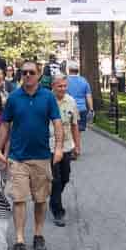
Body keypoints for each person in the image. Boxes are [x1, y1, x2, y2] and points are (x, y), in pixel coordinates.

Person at [0, 60, 64, 250]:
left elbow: (58, 123)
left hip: (42, 157)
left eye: (31, 72)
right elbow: (5, 125)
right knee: (18, 199)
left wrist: (59, 147)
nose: (27, 76)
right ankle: (19, 241)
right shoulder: (14, 98)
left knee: (41, 199)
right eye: (23, 72)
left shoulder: (48, 97)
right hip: (18, 158)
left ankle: (38, 235)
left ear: (38, 75)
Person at [49, 74, 81, 226]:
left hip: (67, 145)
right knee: (56, 179)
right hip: (50, 146)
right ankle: (57, 211)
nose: (62, 89)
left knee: (65, 177)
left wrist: (77, 146)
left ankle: (53, 198)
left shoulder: (71, 101)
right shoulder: (46, 101)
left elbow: (75, 125)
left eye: (64, 86)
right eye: (59, 86)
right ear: (53, 86)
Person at [66, 61, 94, 132]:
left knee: (69, 131)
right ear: (78, 71)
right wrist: (91, 109)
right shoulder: (84, 81)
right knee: (79, 132)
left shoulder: (65, 80)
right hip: (82, 109)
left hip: (69, 109)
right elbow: (88, 96)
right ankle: (77, 143)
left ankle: (72, 143)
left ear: (69, 70)